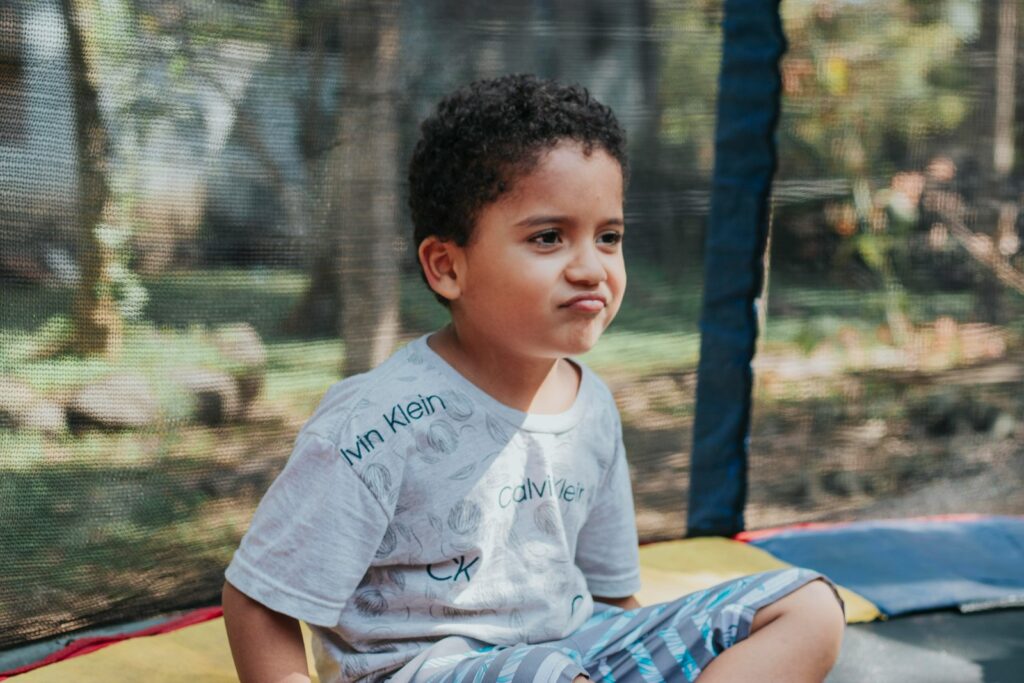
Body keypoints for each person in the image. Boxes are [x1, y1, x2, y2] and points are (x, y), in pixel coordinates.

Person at [221, 74, 846, 683]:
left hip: (569, 651)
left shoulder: (592, 406)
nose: (591, 268)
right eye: (549, 238)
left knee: (807, 606)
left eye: (608, 237)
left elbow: (614, 603)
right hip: (430, 670)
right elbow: (258, 599)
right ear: (447, 267)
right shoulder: (377, 424)